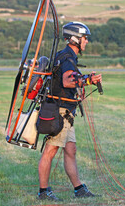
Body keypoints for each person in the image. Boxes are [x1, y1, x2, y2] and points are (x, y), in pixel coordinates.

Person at [37, 22, 102, 201]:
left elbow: (69, 80)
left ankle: (78, 188)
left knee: (70, 149)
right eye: (84, 38)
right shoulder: (67, 58)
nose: (86, 42)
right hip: (60, 112)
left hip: (66, 112)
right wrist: (88, 80)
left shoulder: (66, 56)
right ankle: (43, 192)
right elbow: (68, 81)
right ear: (75, 39)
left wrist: (85, 81)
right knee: (50, 151)